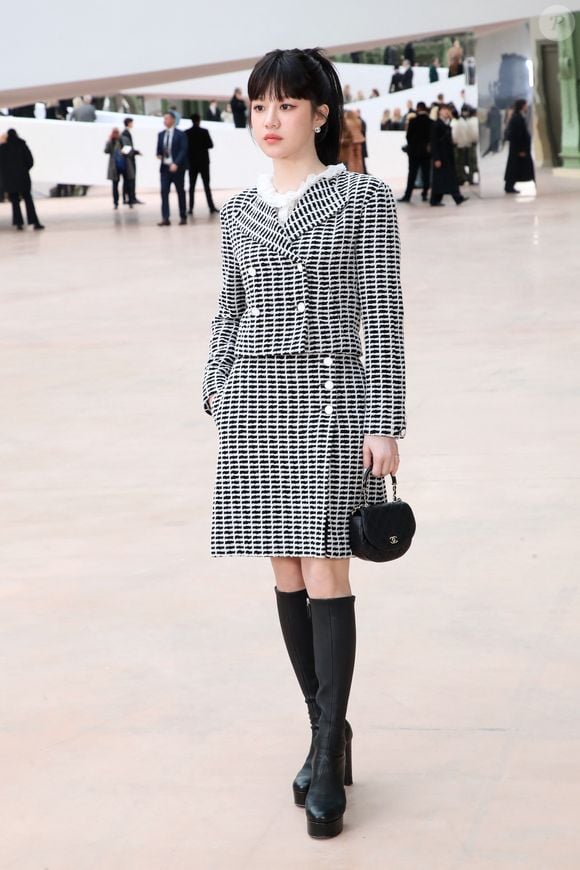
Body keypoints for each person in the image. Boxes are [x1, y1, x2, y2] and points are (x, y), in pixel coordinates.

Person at [202, 46, 406, 840]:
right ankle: (325, 728)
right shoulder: (240, 208)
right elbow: (231, 305)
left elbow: (381, 317)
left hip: (328, 402)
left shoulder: (362, 201)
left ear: (321, 113)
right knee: (284, 567)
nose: (269, 122)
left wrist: (385, 419)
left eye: (286, 106)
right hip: (254, 405)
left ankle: (326, 754)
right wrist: (217, 384)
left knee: (326, 568)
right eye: (258, 108)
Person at [0, 128, 44, 230]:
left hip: (10, 180)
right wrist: (24, 170)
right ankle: (34, 222)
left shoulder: (3, 148)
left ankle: (18, 223)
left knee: (15, 202)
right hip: (23, 178)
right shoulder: (22, 145)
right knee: (28, 200)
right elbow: (30, 161)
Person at [429, 104, 468, 206]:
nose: (447, 112)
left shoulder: (445, 123)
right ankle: (456, 197)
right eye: (445, 110)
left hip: (447, 156)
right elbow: (434, 143)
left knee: (443, 178)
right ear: (440, 111)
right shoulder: (436, 124)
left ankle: (436, 199)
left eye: (448, 110)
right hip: (441, 156)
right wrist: (436, 158)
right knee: (445, 178)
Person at [156, 109, 188, 225]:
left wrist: (176, 163)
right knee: (164, 192)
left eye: (167, 118)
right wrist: (159, 155)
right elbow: (159, 150)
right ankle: (165, 217)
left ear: (173, 120)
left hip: (177, 168)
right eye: (164, 119)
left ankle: (183, 215)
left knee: (180, 191)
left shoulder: (181, 134)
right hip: (165, 168)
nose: (165, 120)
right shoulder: (160, 135)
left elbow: (183, 150)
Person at [398, 101, 432, 203]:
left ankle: (407, 195)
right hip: (426, 152)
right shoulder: (430, 122)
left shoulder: (413, 121)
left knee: (412, 174)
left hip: (414, 152)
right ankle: (425, 193)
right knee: (426, 173)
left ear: (418, 108)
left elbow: (408, 137)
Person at [185, 113, 219, 215]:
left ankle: (190, 208)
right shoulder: (204, 132)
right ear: (199, 120)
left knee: (191, 186)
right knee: (206, 186)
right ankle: (211, 207)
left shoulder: (187, 132)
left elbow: (185, 147)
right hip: (203, 162)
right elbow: (210, 144)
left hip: (192, 163)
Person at [504, 99, 535, 194]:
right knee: (514, 168)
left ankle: (510, 185)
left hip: (518, 148)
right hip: (517, 149)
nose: (526, 107)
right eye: (525, 105)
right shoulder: (517, 118)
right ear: (522, 106)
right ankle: (509, 186)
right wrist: (521, 149)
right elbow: (517, 135)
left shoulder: (518, 117)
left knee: (516, 168)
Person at [104, 127, 132, 210]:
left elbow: (129, 149)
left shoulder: (123, 140)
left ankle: (128, 200)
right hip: (115, 166)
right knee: (115, 185)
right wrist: (110, 141)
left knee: (127, 183)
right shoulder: (110, 141)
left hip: (125, 164)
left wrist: (124, 151)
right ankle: (116, 202)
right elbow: (106, 151)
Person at [120, 118, 143, 205]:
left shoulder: (126, 133)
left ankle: (129, 197)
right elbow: (127, 148)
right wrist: (135, 152)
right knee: (130, 179)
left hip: (129, 159)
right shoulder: (125, 134)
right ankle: (130, 197)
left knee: (128, 179)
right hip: (128, 161)